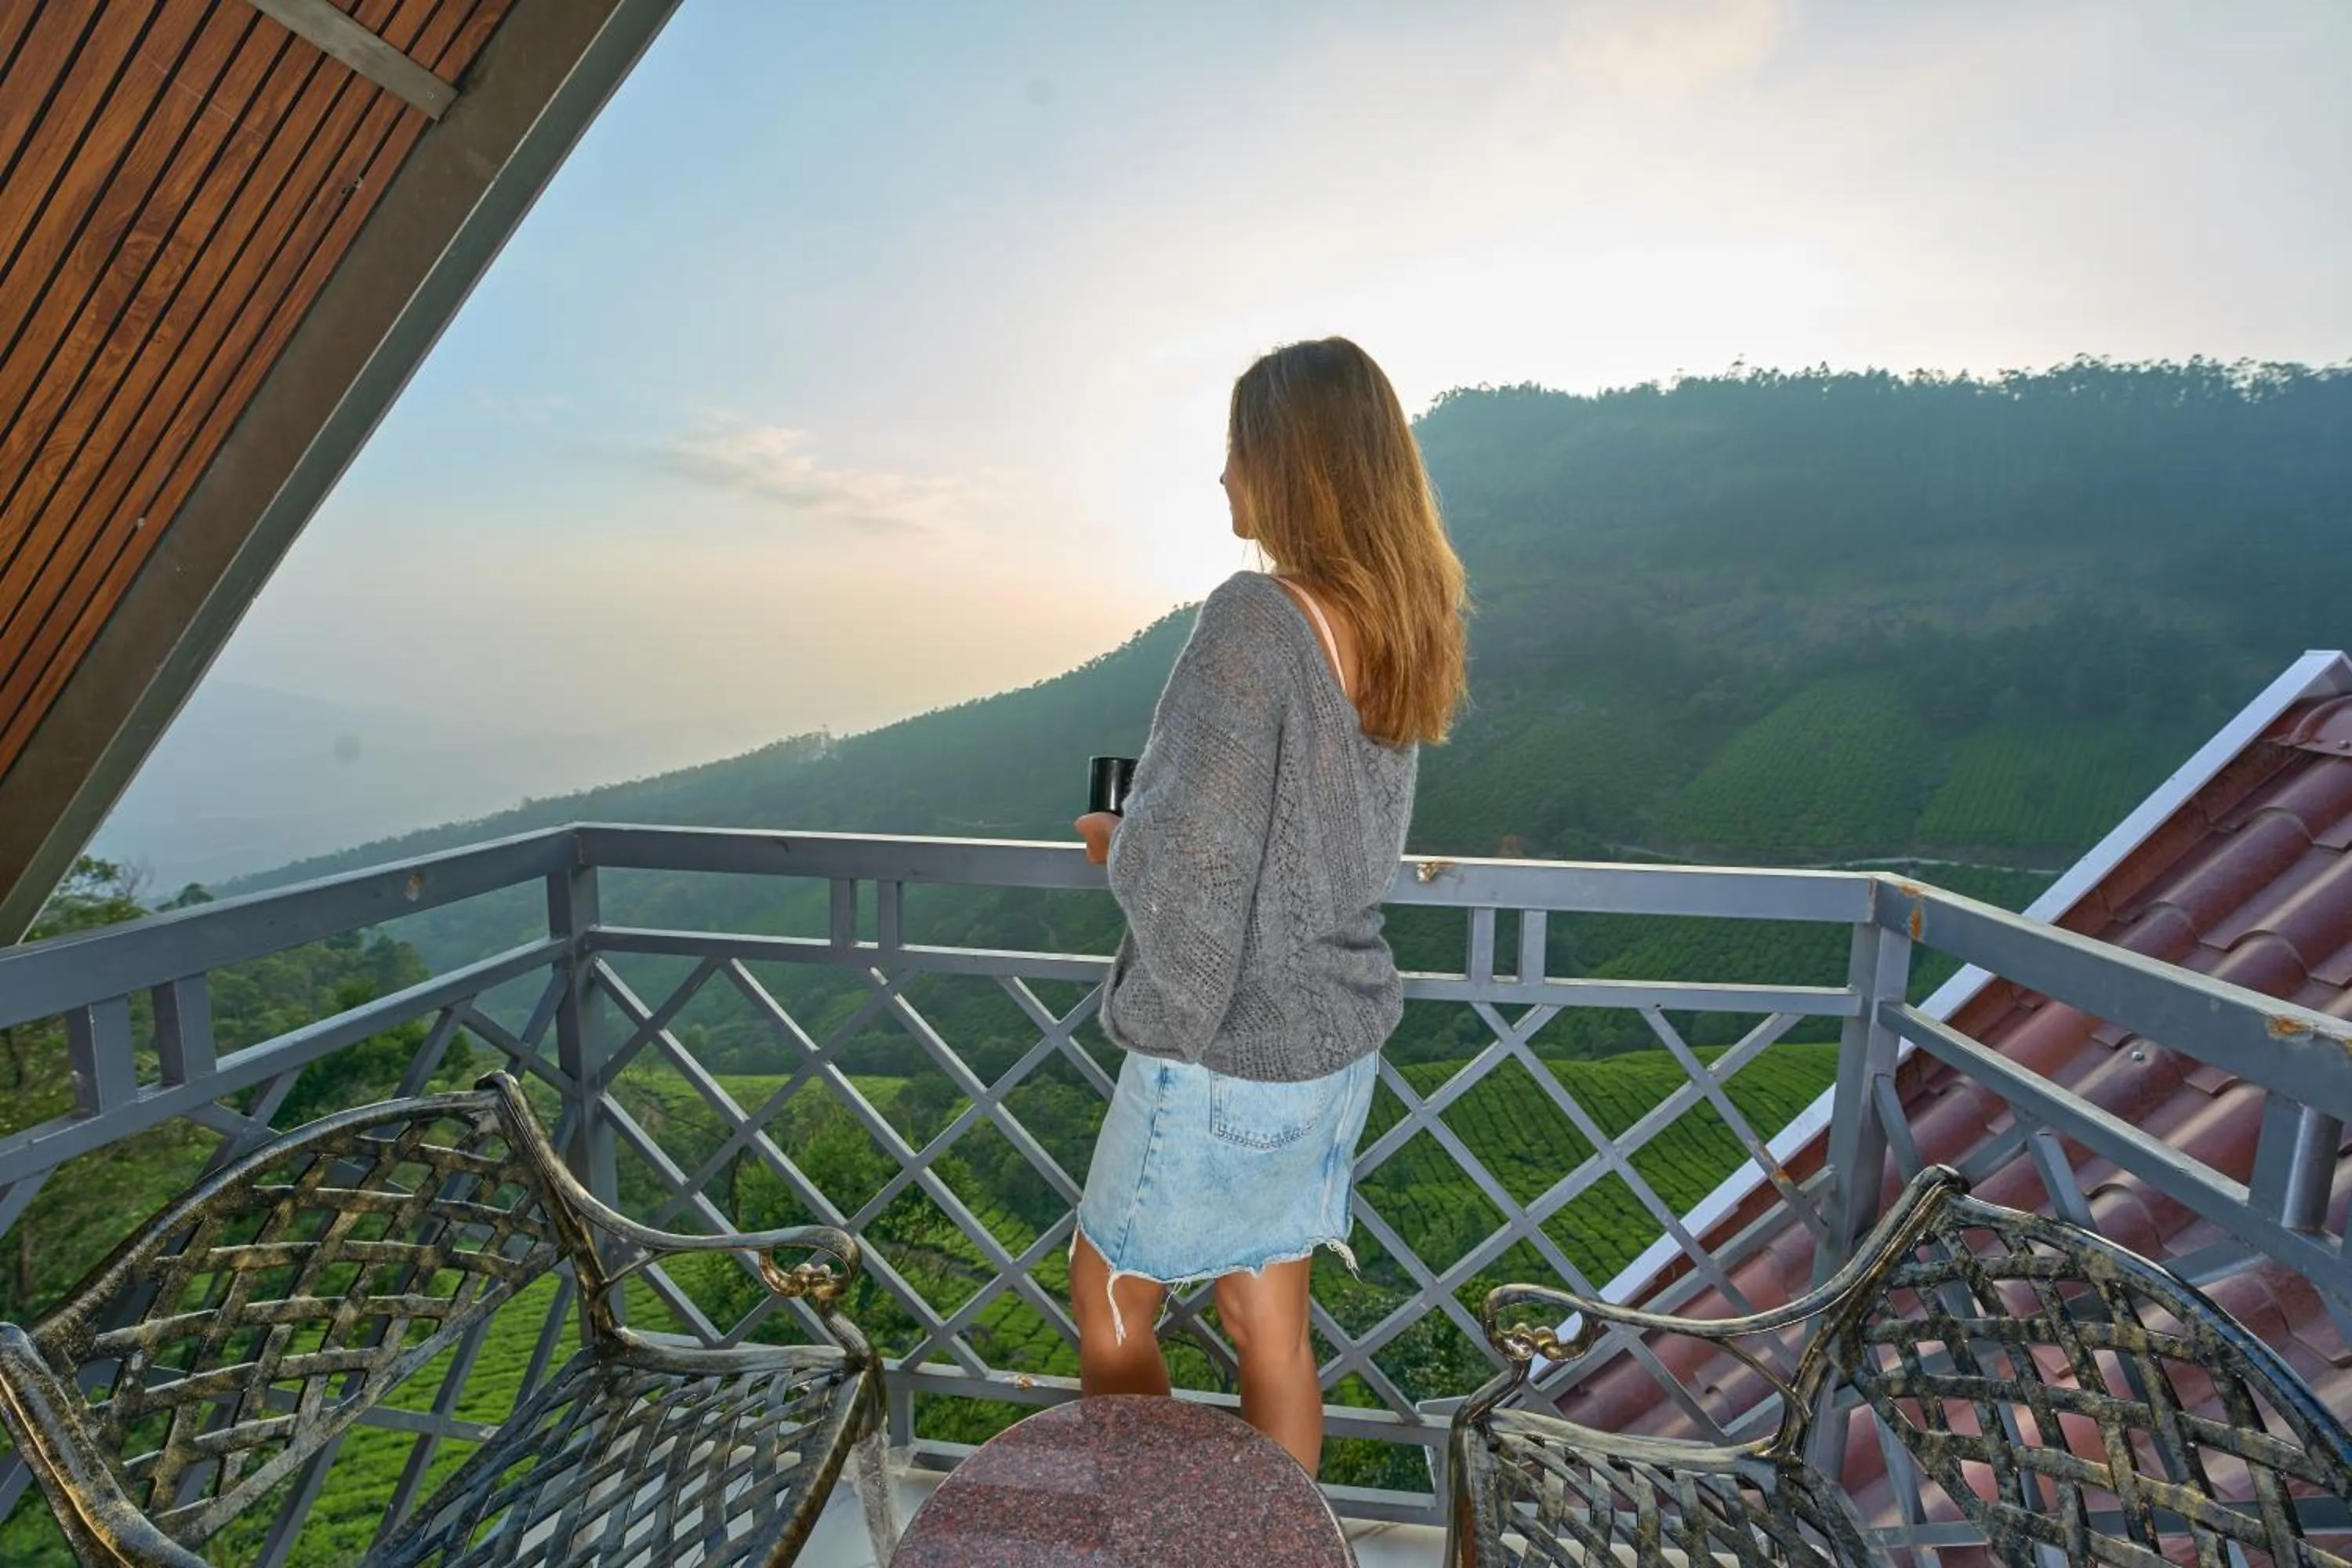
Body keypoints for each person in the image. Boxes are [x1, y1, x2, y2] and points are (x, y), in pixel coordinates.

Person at [1069, 336, 1469, 1476]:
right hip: (1334, 1046)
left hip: (1228, 1050)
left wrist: (1118, 842)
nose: (1224, 477)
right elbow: (1310, 837)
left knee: (1107, 1299)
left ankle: (1157, 1534)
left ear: (1289, 463)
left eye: (1238, 450)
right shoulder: (1397, 623)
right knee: (1272, 1329)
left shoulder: (1254, 619)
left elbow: (1196, 881)